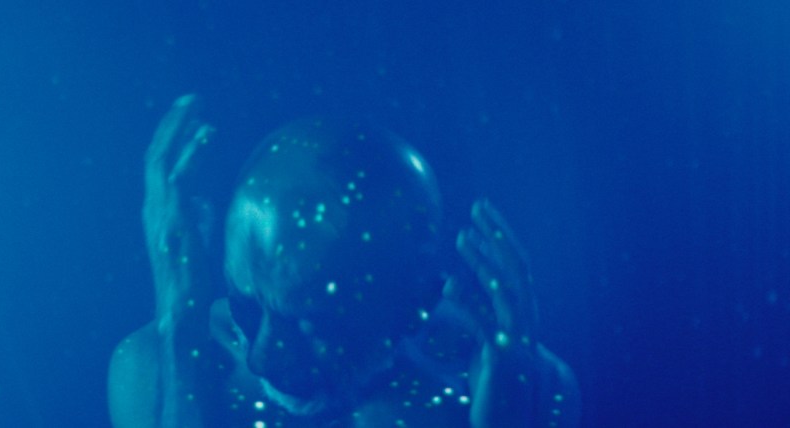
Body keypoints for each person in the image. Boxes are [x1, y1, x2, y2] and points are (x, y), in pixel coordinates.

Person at [109, 94, 580, 428]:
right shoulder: (161, 364)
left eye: (312, 324)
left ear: (415, 306)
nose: (261, 359)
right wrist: (179, 321)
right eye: (245, 308)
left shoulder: (515, 388)